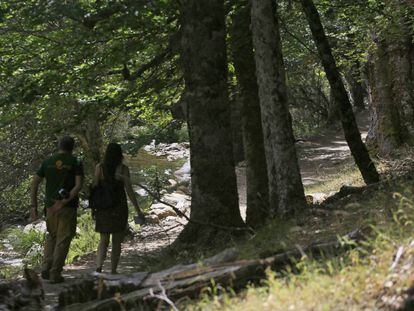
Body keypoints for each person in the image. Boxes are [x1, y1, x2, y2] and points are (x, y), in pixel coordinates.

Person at [30, 136, 84, 283]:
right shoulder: (76, 161)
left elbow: (34, 184)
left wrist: (33, 207)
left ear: (58, 146)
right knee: (63, 239)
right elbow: (78, 185)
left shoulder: (47, 162)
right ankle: (55, 274)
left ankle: (46, 268)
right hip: (67, 207)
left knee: (52, 236)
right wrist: (65, 201)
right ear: (72, 147)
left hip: (50, 207)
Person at [93, 143, 144, 274]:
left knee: (103, 239)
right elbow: (129, 191)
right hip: (119, 208)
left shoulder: (100, 168)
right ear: (120, 154)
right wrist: (138, 210)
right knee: (117, 241)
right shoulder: (123, 169)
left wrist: (94, 208)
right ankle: (113, 270)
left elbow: (95, 188)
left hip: (104, 208)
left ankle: (99, 267)